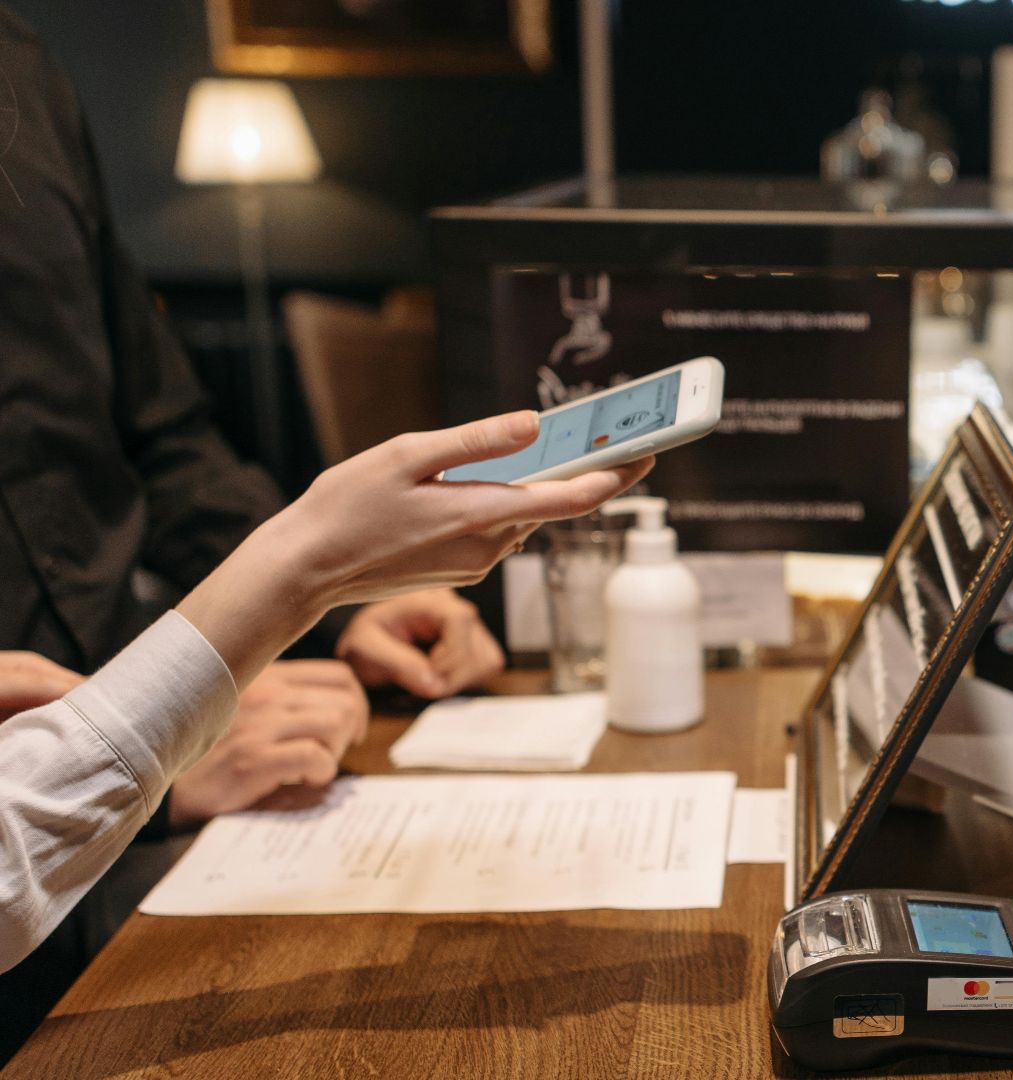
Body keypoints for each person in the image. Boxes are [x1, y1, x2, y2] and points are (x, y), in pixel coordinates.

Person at [0, 5, 513, 1053]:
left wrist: (341, 615)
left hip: (143, 802)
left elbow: (165, 434)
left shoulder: (21, 69)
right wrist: (151, 766)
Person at [0, 411, 651, 975]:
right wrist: (306, 568)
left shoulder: (70, 260)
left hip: (129, 736)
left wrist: (344, 606)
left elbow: (175, 456)